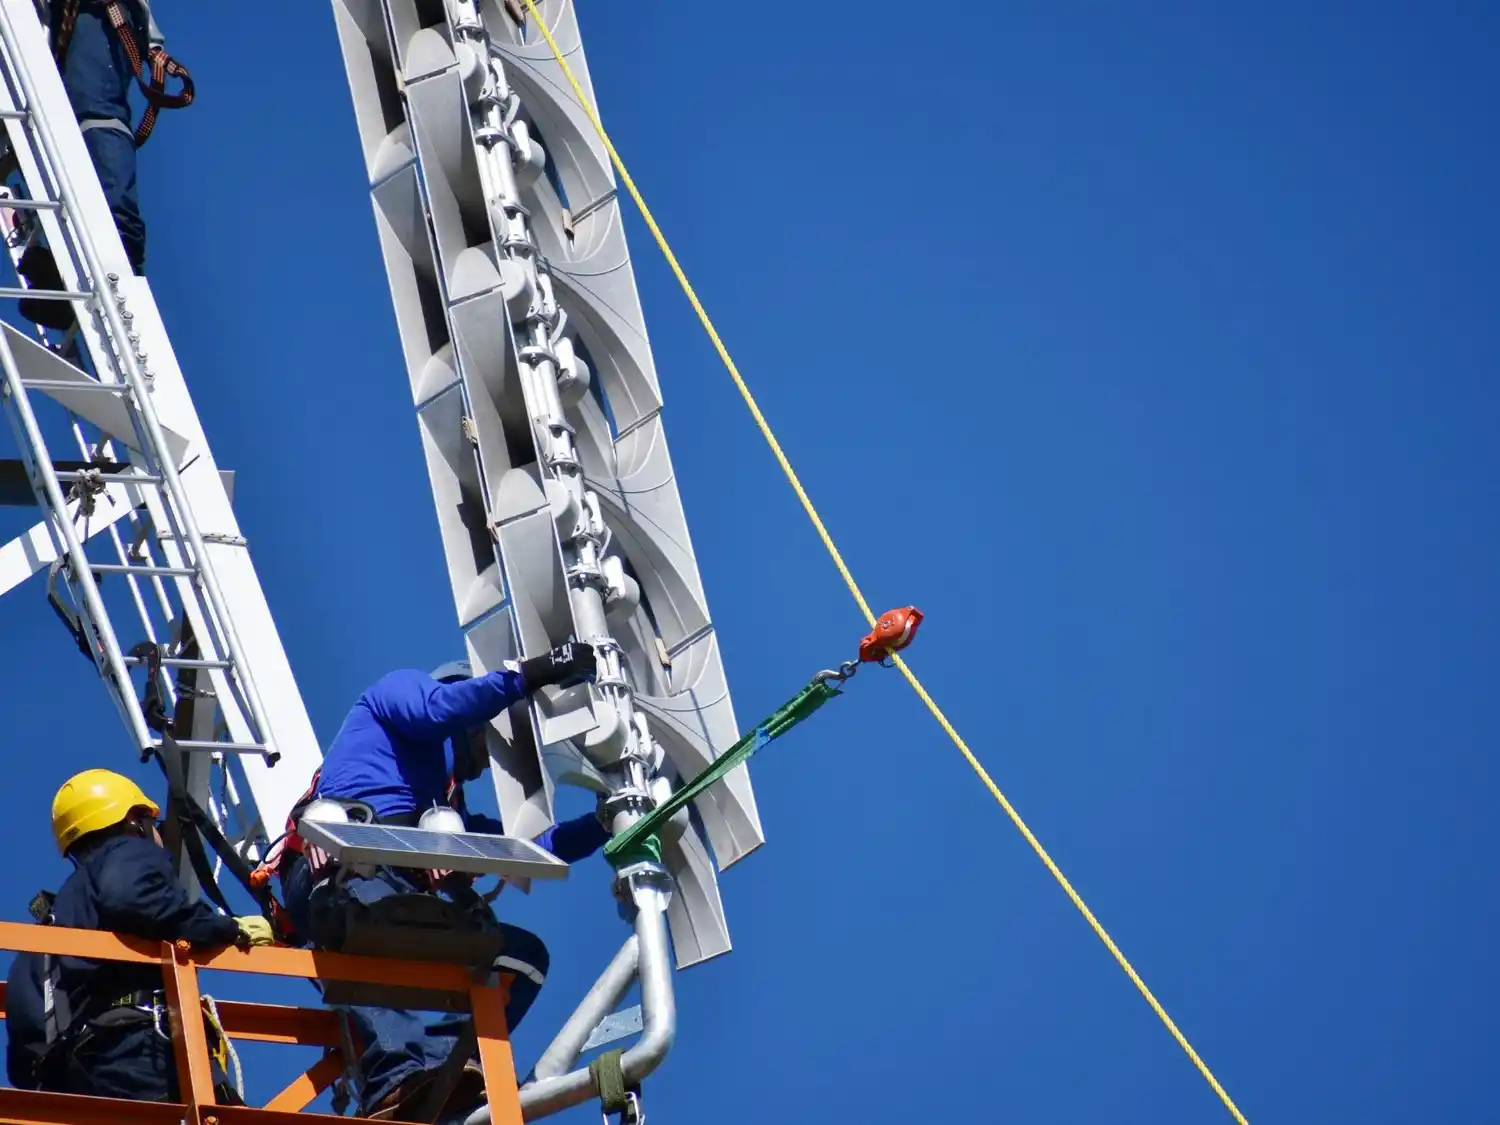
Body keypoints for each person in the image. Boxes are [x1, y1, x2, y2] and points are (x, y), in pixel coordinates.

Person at [276, 645, 612, 1121]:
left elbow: (528, 849)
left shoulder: (442, 813)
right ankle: (399, 1077)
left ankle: (451, 1066)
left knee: (520, 957)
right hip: (341, 869)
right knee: (373, 925)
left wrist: (603, 822)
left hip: (383, 884)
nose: (490, 758)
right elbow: (441, 710)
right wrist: (532, 673)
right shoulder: (398, 693)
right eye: (488, 735)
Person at [4, 769, 274, 1102]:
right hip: (139, 1055)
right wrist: (230, 929)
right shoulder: (128, 852)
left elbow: (21, 1049)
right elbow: (135, 900)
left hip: (78, 1080)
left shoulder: (52, 926)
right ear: (136, 821)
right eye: (155, 826)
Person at [18, 0, 178, 329]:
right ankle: (67, 263)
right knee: (46, 133)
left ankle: (117, 246)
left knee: (93, 119)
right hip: (55, 21)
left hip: (95, 12)